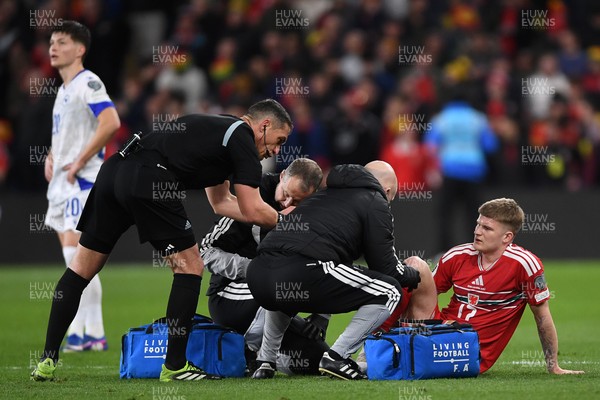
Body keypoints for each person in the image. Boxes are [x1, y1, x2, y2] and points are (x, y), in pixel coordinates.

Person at [31, 98, 293, 382]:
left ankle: (47, 360)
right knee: (190, 267)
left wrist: (271, 218)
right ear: (264, 126)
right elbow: (253, 208)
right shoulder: (242, 138)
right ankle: (175, 366)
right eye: (278, 140)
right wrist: (290, 224)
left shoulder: (224, 131)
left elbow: (221, 203)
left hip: (115, 171)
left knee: (81, 269)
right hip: (150, 178)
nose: (276, 150)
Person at [246, 161, 422, 380]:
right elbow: (385, 266)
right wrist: (412, 274)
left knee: (284, 292)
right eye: (391, 199)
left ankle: (265, 361)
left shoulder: (325, 194)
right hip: (301, 268)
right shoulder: (375, 201)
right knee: (390, 291)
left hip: (257, 274)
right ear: (386, 191)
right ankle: (337, 357)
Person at [200, 157, 328, 374]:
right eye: (286, 194)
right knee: (282, 281)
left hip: (279, 300)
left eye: (297, 202)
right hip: (231, 296)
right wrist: (255, 270)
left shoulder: (315, 211)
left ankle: (254, 354)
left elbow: (327, 261)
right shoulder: (253, 196)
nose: (287, 204)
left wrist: (322, 316)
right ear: (281, 176)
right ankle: (255, 353)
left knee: (315, 360)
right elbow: (205, 251)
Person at [433, 198, 585, 375]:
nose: (477, 232)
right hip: (438, 333)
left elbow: (542, 316)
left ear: (507, 237)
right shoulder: (457, 255)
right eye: (478, 224)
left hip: (470, 352)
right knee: (415, 267)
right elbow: (423, 294)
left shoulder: (524, 265)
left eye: (487, 228)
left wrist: (553, 366)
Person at [43, 21, 120, 352]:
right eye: (51, 42)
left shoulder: (88, 82)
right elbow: (71, 133)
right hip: (63, 183)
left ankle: (93, 332)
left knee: (79, 257)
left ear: (80, 49)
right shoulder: (63, 90)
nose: (53, 47)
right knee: (69, 257)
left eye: (61, 41)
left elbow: (110, 122)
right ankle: (80, 333)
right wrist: (52, 155)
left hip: (82, 180)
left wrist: (78, 161)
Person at [424, 93, 498, 252]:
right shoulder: (479, 119)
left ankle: (443, 251)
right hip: (474, 170)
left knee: (445, 215)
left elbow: (430, 146)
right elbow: (490, 145)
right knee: (475, 215)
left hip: (449, 170)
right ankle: (477, 250)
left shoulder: (441, 118)